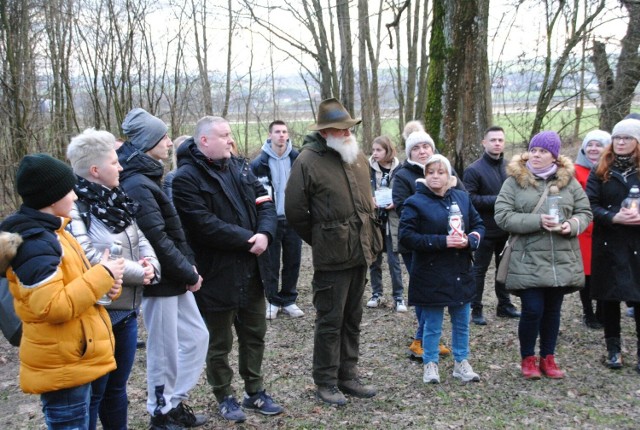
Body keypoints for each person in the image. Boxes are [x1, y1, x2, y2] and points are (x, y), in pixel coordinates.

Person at [0, 154, 125, 429]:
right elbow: (53, 306)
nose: (76, 197)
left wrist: (108, 285)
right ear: (52, 197)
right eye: (69, 191)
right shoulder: (36, 244)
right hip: (63, 367)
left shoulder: (58, 232)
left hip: (76, 359)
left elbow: (76, 290)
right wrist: (102, 273)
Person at [172, 116, 283, 423]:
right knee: (218, 343)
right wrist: (249, 240)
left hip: (252, 271)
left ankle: (255, 391)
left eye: (230, 134)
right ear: (204, 141)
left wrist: (266, 234)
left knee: (254, 335)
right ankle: (224, 395)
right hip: (217, 274)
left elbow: (266, 203)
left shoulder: (241, 167)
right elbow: (203, 224)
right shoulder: (186, 178)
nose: (231, 140)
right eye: (224, 135)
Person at [285, 98, 383, 406]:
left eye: (349, 128)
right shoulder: (308, 161)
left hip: (362, 251)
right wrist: (326, 238)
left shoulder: (356, 155)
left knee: (352, 317)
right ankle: (325, 381)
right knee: (330, 319)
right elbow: (295, 213)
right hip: (333, 256)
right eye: (342, 129)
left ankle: (348, 374)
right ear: (326, 131)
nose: (348, 133)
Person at [118, 108, 209, 430]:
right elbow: (156, 238)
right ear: (149, 142)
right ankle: (160, 412)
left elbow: (169, 231)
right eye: (164, 137)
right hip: (159, 279)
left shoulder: (147, 177)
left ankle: (171, 401)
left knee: (197, 337)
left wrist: (187, 268)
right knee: (163, 350)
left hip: (175, 276)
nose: (170, 143)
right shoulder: (137, 184)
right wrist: (187, 272)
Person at [66, 128, 161, 430]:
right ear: (95, 170)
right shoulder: (74, 207)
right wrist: (141, 272)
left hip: (127, 314)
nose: (121, 166)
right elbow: (89, 258)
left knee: (117, 392)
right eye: (114, 162)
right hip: (97, 317)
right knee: (96, 394)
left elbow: (142, 239)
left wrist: (152, 268)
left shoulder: (118, 200)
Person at [495, 131, 592, 380]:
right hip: (527, 258)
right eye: (534, 150)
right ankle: (528, 357)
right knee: (532, 309)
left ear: (554, 156)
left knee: (552, 310)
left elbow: (585, 212)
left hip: (561, 258)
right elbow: (503, 216)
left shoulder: (568, 182)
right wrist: (538, 220)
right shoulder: (514, 181)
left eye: (543, 152)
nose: (536, 155)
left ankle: (548, 357)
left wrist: (573, 225)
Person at [399, 154, 484, 383]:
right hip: (430, 273)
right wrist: (442, 241)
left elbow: (478, 225)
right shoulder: (414, 202)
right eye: (430, 172)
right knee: (432, 324)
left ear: (449, 176)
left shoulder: (462, 198)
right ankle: (430, 363)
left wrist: (471, 240)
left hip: (460, 270)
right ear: (425, 176)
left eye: (440, 172)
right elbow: (406, 237)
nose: (435, 176)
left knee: (461, 322)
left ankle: (461, 362)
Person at [393, 129, 463, 359]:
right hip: (417, 245)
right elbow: (403, 208)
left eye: (426, 146)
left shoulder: (444, 168)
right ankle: (421, 339)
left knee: (440, 290)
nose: (422, 151)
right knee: (425, 290)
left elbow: (462, 198)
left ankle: (427, 337)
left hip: (447, 243)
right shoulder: (403, 176)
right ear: (409, 152)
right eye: (416, 148)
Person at [586, 118, 640, 371]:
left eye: (627, 138)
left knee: (638, 297)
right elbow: (590, 204)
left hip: (636, 242)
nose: (620, 142)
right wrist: (613, 216)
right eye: (617, 137)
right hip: (608, 242)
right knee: (610, 299)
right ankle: (613, 349)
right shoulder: (600, 170)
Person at [463, 126, 520, 325]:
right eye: (493, 140)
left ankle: (504, 305)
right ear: (484, 143)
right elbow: (469, 199)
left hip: (507, 229)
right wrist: (500, 200)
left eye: (500, 140)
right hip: (484, 229)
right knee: (479, 270)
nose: (497, 143)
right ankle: (475, 308)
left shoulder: (510, 168)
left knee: (504, 268)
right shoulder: (473, 169)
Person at [250, 120, 303, 320]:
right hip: (270, 220)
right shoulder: (258, 163)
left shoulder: (298, 159)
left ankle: (289, 300)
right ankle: (272, 300)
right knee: (270, 262)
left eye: (284, 132)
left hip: (293, 219)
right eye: (277, 132)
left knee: (293, 261)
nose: (281, 135)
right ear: (270, 135)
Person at [574, 129, 611, 330]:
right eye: (590, 145)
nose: (594, 149)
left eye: (599, 145)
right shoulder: (575, 171)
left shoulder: (611, 169)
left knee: (606, 272)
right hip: (585, 231)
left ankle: (603, 311)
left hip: (608, 227)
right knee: (587, 274)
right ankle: (588, 312)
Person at [366, 135, 406, 312]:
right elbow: (362, 189)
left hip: (393, 219)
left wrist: (397, 202)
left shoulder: (400, 169)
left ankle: (398, 296)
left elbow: (406, 191)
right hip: (374, 219)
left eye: (379, 150)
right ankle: (377, 293)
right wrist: (370, 199)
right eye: (373, 150)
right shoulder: (368, 169)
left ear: (388, 150)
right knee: (374, 259)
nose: (375, 153)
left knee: (393, 260)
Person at [163, 135, 191, 202]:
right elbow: (172, 206)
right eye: (183, 149)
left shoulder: (206, 172)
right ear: (176, 155)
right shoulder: (172, 176)